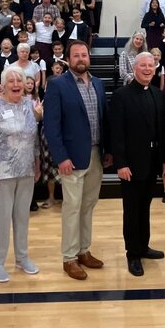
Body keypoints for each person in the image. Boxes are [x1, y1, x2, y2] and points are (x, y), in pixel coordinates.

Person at [43, 40, 111, 281]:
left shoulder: (98, 84)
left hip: (96, 154)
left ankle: (83, 250)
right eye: (76, 55)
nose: (81, 59)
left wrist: (108, 150)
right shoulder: (57, 85)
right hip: (71, 158)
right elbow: (51, 127)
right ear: (68, 59)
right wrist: (60, 157)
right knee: (71, 208)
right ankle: (69, 258)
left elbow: (104, 120)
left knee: (88, 206)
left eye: (84, 55)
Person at [0, 66, 41, 283]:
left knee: (22, 217)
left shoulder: (28, 105)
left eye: (19, 80)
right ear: (3, 84)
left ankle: (22, 258)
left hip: (26, 169)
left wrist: (37, 163)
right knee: (1, 220)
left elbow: (33, 137)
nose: (16, 84)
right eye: (11, 81)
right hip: (1, 171)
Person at [110, 52, 165, 277]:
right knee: (132, 210)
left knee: (145, 209)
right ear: (134, 68)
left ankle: (143, 246)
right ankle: (132, 253)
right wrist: (120, 163)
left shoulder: (157, 93)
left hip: (152, 163)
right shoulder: (121, 96)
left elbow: (161, 129)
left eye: (150, 66)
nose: (147, 69)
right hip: (131, 165)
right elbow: (117, 133)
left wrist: (164, 159)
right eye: (142, 65)